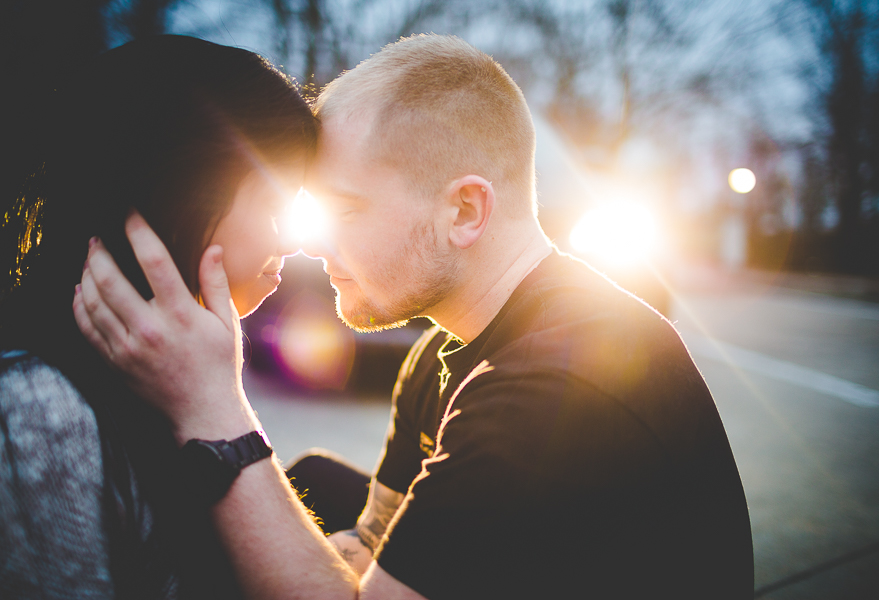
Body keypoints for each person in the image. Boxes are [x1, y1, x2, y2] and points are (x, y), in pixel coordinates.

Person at [75, 34, 754, 599]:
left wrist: (212, 412)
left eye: (344, 210)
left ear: (464, 211)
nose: (311, 243)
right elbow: (369, 547)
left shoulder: (559, 388)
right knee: (309, 481)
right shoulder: (439, 355)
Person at [0, 35, 331, 598]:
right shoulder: (38, 407)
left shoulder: (168, 374)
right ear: (186, 190)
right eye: (276, 206)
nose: (290, 243)